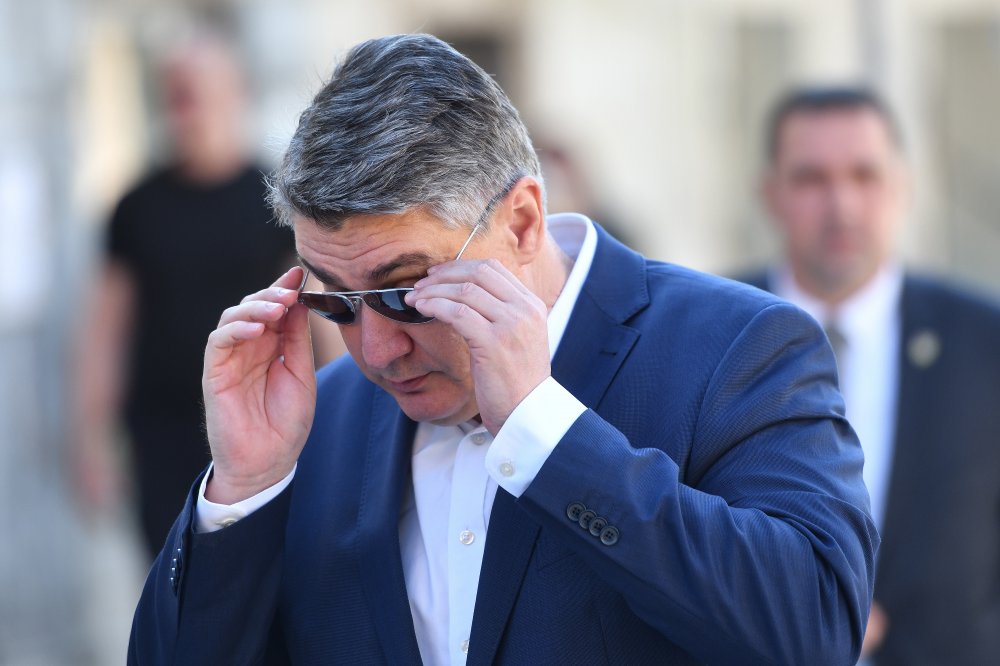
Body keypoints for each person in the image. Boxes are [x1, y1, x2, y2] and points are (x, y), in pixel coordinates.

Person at [129, 34, 877, 664]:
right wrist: (242, 493)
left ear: (521, 222)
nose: (377, 351)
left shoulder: (737, 348)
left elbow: (811, 631)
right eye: (336, 300)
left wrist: (547, 434)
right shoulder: (320, 424)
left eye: (405, 290)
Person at [742, 86, 1000, 664]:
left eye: (865, 176)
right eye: (811, 179)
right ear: (770, 193)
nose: (843, 205)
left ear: (903, 185)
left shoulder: (986, 344)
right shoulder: (705, 328)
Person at [74, 31, 301, 556]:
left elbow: (318, 318)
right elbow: (105, 332)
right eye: (174, 93)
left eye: (196, 91)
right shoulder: (136, 205)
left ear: (235, 93)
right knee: (170, 574)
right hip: (160, 433)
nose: (184, 107)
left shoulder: (277, 199)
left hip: (260, 422)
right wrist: (90, 442)